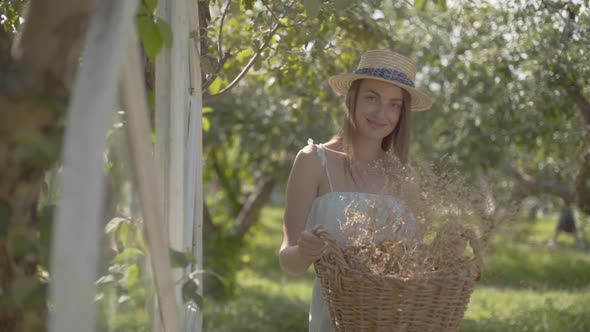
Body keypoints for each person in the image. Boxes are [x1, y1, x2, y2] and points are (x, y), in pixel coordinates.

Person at [278, 50, 433, 332]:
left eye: (393, 105)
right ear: (353, 97)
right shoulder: (314, 160)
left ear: (402, 113)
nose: (381, 113)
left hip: (395, 322)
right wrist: (304, 251)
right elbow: (288, 261)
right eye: (371, 98)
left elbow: (414, 266)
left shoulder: (406, 177)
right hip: (336, 320)